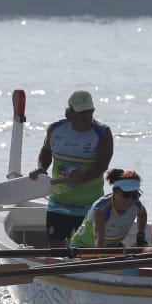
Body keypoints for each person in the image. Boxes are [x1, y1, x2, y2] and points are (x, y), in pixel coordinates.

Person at [28, 89, 114, 242]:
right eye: (82, 112)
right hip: (58, 202)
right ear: (70, 113)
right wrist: (41, 168)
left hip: (90, 205)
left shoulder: (102, 133)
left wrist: (84, 178)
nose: (87, 116)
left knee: (85, 249)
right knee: (56, 249)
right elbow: (46, 151)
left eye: (89, 111)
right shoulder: (55, 129)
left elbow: (103, 164)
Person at [69, 169, 147, 249]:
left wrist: (140, 235)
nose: (130, 200)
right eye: (126, 194)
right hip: (84, 247)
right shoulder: (101, 210)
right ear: (115, 191)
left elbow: (142, 214)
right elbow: (99, 240)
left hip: (111, 246)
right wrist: (101, 256)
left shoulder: (136, 205)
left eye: (135, 195)